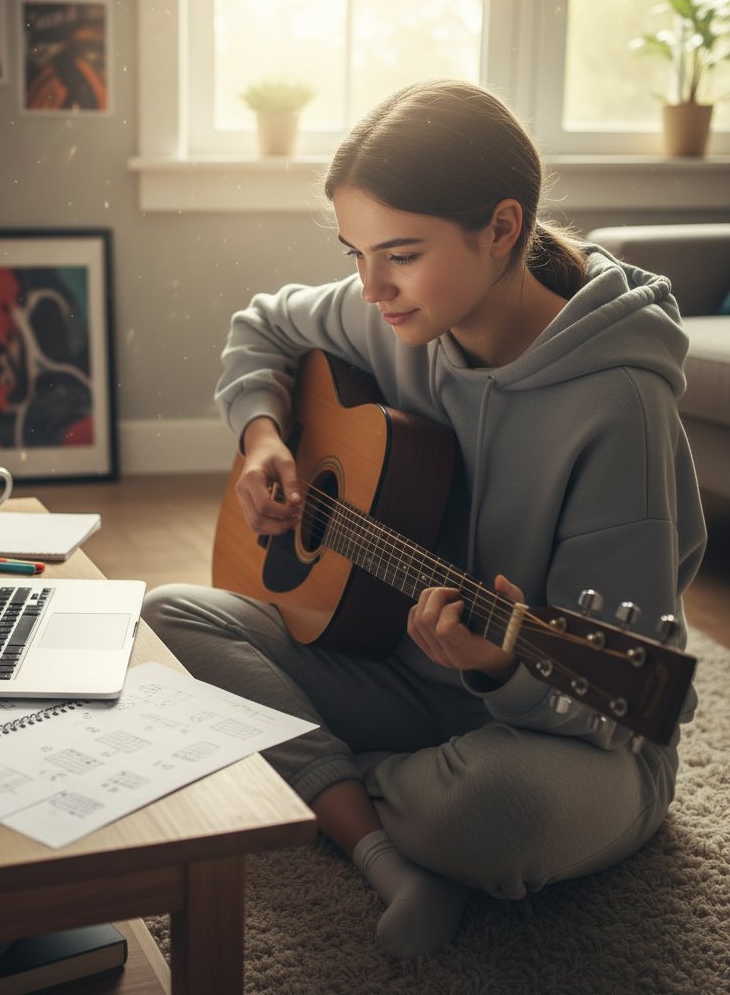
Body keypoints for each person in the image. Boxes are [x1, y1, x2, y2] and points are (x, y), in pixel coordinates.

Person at [141, 79, 706, 958]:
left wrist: (504, 666)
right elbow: (262, 328)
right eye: (355, 252)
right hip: (400, 677)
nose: (370, 287)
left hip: (568, 734)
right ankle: (380, 843)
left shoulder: (619, 409)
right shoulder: (395, 315)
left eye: (398, 253)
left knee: (494, 809)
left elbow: (620, 714)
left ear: (502, 229)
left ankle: (321, 778)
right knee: (165, 623)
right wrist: (260, 437)